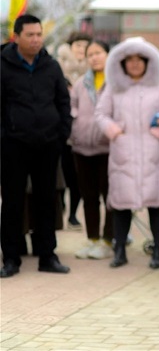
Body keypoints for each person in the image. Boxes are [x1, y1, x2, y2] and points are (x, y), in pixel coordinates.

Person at [95, 37, 159, 270]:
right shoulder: (114, 87)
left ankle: (158, 251)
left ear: (148, 62)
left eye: (139, 60)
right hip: (123, 154)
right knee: (120, 206)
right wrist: (114, 131)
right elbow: (101, 113)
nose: (134, 64)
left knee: (156, 204)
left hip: (152, 154)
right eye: (129, 60)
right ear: (121, 63)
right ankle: (120, 250)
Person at [1, 14, 72, 277]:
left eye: (39, 34)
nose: (35, 39)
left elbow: (63, 101)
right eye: (30, 35)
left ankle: (47, 256)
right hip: (13, 146)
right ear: (16, 36)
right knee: (12, 202)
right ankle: (10, 259)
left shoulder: (51, 66)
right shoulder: (4, 65)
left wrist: (62, 132)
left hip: (48, 144)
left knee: (46, 200)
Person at [69, 39, 113, 259]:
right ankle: (92, 238)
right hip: (82, 148)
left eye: (99, 53)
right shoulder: (80, 83)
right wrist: (75, 129)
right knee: (89, 196)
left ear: (108, 54)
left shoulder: (116, 82)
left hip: (108, 149)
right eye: (91, 54)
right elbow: (72, 109)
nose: (94, 57)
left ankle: (108, 240)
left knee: (111, 197)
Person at [58, 30, 91, 231]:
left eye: (85, 46)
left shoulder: (94, 70)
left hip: (83, 132)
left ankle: (72, 215)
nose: (81, 49)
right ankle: (60, 208)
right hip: (61, 132)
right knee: (62, 174)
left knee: (79, 178)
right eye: (78, 45)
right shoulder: (57, 67)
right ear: (70, 47)